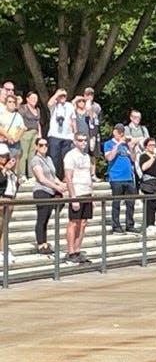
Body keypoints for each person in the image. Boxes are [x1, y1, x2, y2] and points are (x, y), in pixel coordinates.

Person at [31, 137, 67, 255]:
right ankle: (40, 243)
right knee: (41, 218)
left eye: (46, 145)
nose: (44, 147)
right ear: (36, 146)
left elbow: (53, 176)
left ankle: (44, 242)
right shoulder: (36, 160)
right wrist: (56, 187)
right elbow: (41, 179)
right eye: (41, 145)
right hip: (41, 191)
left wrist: (61, 184)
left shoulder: (49, 159)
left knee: (46, 218)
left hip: (50, 191)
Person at [63, 132, 93, 264]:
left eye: (85, 140)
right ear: (75, 141)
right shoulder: (70, 156)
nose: (83, 143)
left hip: (86, 192)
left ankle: (77, 249)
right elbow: (68, 177)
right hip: (77, 192)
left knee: (83, 222)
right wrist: (73, 196)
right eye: (80, 140)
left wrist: (92, 194)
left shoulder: (86, 157)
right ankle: (70, 251)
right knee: (73, 222)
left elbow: (88, 175)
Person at [104, 123, 137, 233]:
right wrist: (117, 145)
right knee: (116, 202)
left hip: (128, 177)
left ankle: (130, 224)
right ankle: (116, 225)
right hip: (116, 177)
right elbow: (109, 157)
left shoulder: (126, 145)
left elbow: (133, 159)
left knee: (130, 203)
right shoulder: (109, 144)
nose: (121, 134)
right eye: (119, 132)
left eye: (122, 132)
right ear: (115, 132)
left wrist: (131, 148)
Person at [47, 88, 76, 181]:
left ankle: (65, 177)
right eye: (61, 96)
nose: (63, 97)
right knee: (54, 157)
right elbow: (49, 104)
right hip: (55, 135)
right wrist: (57, 94)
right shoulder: (55, 105)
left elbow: (73, 120)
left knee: (66, 158)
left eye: (64, 96)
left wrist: (75, 134)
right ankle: (54, 177)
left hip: (67, 136)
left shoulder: (70, 106)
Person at [0, 143, 18, 264]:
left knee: (4, 228)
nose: (4, 158)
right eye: (2, 156)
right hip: (2, 198)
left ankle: (3, 250)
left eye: (5, 156)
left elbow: (14, 184)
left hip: (10, 199)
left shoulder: (10, 171)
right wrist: (5, 170)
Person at [0, 94, 27, 174]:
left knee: (13, 163)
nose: (11, 103)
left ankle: (13, 181)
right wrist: (7, 136)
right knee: (3, 163)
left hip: (14, 144)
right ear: (6, 103)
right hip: (3, 142)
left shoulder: (18, 116)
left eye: (13, 102)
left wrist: (16, 138)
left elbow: (23, 128)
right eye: (9, 102)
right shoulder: (2, 115)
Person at [18, 91, 42, 181]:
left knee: (32, 154)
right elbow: (18, 119)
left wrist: (40, 134)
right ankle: (22, 174)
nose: (34, 100)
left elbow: (38, 122)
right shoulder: (23, 108)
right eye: (32, 98)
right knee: (24, 154)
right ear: (27, 99)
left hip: (35, 133)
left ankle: (31, 174)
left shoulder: (37, 110)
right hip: (25, 133)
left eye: (35, 98)